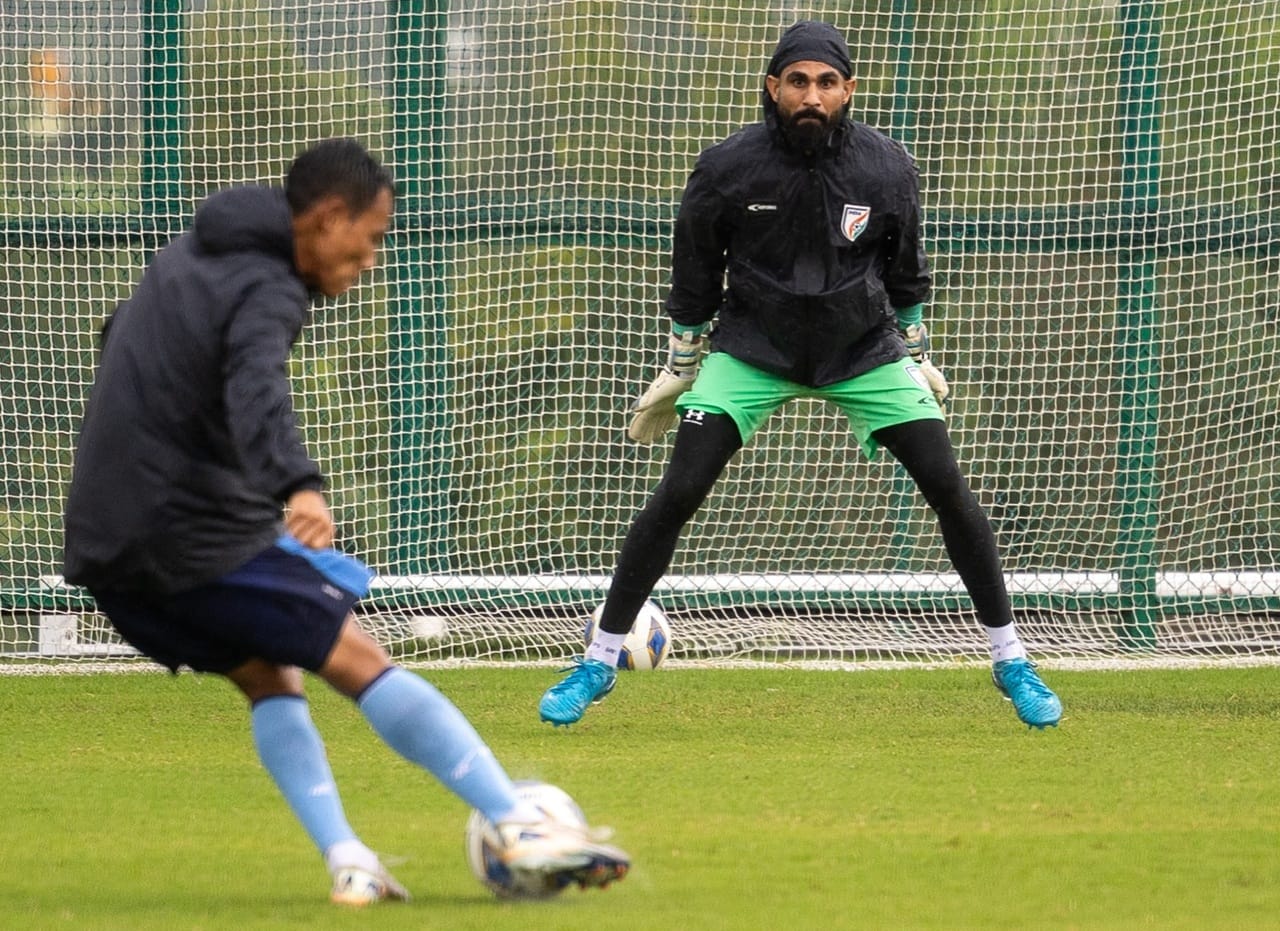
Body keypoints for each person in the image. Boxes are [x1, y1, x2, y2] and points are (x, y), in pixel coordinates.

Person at [63, 138, 629, 906]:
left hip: (105, 548)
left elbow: (121, 341)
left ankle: (350, 860)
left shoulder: (187, 257)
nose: (370, 261)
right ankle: (517, 821)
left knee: (268, 675)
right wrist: (297, 485)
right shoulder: (270, 287)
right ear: (330, 218)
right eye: (372, 238)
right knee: (357, 655)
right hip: (185, 531)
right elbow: (256, 385)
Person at [539, 21, 1062, 731]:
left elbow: (904, 274)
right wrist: (682, 364)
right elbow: (695, 273)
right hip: (751, 348)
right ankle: (597, 661)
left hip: (863, 350)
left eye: (825, 82)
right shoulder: (726, 167)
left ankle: (1011, 659)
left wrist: (915, 350)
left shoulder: (888, 168)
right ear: (772, 88)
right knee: (681, 487)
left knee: (947, 484)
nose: (810, 95)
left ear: (849, 89)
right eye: (797, 81)